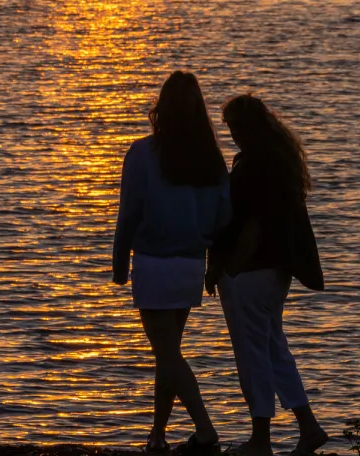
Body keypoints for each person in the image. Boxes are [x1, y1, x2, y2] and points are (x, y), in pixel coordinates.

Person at [114, 71, 233, 455]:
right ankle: (158, 435)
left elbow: (128, 214)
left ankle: (205, 429)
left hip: (153, 263)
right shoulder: (211, 161)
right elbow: (222, 218)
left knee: (166, 354)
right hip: (189, 266)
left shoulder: (143, 153)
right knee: (167, 353)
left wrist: (118, 261)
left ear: (162, 109)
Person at [207, 95, 327, 456]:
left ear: (245, 127)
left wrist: (228, 267)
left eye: (233, 128)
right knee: (274, 351)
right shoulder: (278, 161)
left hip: (250, 273)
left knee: (253, 356)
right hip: (275, 273)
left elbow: (252, 225)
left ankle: (261, 440)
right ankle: (308, 426)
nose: (232, 136)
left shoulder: (254, 166)